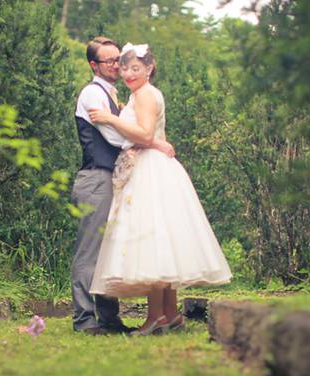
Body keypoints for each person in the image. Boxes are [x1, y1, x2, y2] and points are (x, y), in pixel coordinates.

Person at [88, 43, 232, 336]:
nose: (128, 73)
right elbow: (150, 135)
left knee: (150, 238)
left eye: (135, 68)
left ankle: (155, 317)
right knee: (162, 239)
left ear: (149, 69)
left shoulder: (145, 95)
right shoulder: (141, 94)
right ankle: (169, 313)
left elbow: (143, 133)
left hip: (150, 169)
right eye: (125, 68)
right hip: (152, 163)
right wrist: (155, 141)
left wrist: (110, 118)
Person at [71, 37, 175, 335]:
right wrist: (153, 140)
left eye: (119, 59)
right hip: (97, 177)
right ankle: (84, 320)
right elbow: (116, 139)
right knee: (90, 251)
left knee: (109, 249)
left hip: (115, 177)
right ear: (94, 65)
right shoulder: (92, 95)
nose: (117, 65)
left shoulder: (117, 94)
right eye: (109, 61)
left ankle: (109, 318)